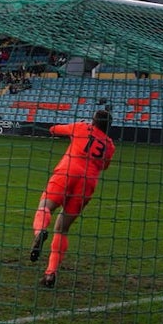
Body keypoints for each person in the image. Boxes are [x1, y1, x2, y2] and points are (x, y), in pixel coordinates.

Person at [29, 109, 116, 288]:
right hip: (88, 183)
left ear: (93, 121)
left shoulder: (81, 128)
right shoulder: (110, 145)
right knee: (62, 229)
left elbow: (54, 129)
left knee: (45, 206)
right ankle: (50, 273)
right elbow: (105, 166)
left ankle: (39, 233)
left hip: (67, 171)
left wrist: (74, 132)